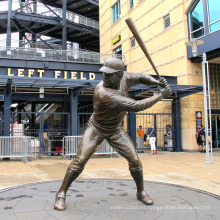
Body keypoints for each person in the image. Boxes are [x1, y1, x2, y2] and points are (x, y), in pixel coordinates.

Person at [54, 58, 171, 210]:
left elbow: (142, 77)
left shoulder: (126, 78)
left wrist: (156, 82)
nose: (104, 76)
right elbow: (136, 106)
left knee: (135, 161)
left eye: (109, 74)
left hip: (115, 129)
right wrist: (161, 95)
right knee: (79, 161)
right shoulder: (103, 92)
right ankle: (61, 193)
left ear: (119, 75)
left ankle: (140, 191)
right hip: (96, 128)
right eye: (104, 73)